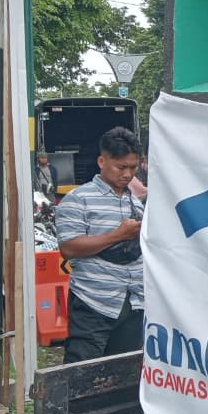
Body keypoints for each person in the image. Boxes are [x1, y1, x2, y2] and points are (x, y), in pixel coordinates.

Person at [55, 127, 145, 363]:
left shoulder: (135, 202)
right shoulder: (78, 199)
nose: (127, 174)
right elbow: (69, 248)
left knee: (123, 372)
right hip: (93, 301)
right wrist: (117, 235)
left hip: (134, 299)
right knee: (82, 372)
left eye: (133, 167)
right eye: (121, 167)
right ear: (102, 161)